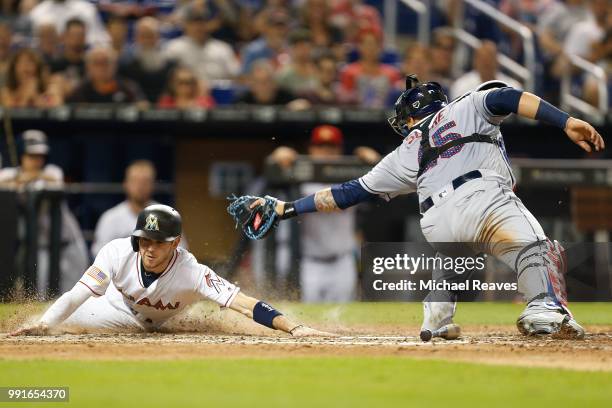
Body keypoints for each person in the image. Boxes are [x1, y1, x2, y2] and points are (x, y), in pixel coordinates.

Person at [229, 75, 604, 340]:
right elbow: (507, 97)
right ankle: (542, 308)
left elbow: (347, 194)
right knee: (537, 248)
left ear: (412, 115)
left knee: (460, 258)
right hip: (484, 195)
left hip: (438, 220)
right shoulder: (468, 104)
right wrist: (566, 121)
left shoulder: (404, 150)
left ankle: (437, 316)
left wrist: (286, 209)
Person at [10, 204, 330, 337]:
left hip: (155, 324)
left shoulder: (192, 272)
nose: (149, 248)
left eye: (158, 242)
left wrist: (293, 327)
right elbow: (76, 294)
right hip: (110, 311)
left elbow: (244, 304)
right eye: (144, 240)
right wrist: (44, 323)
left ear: (175, 242)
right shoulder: (117, 251)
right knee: (56, 324)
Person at [265, 125, 380, 302]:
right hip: (310, 263)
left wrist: (373, 161)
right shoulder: (300, 181)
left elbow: (383, 179)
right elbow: (272, 174)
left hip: (343, 262)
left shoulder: (353, 181)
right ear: (311, 148)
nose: (326, 151)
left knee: (346, 320)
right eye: (320, 146)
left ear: (340, 149)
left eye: (331, 146)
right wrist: (278, 155)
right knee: (310, 319)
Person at [0, 130, 89, 294]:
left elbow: (54, 180)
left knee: (74, 296)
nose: (37, 160)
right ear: (21, 155)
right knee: (41, 297)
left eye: (40, 155)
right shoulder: (9, 174)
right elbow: (3, 180)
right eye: (31, 155)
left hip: (68, 247)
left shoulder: (52, 171)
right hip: (40, 250)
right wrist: (21, 178)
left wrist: (23, 179)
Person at [91, 160, 188, 256]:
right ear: (126, 184)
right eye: (135, 181)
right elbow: (100, 255)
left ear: (153, 185)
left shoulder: (168, 217)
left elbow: (181, 252)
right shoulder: (110, 218)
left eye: (145, 182)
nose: (140, 186)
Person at [163, 6, 240, 84]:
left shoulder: (223, 48)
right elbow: (167, 77)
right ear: (185, 25)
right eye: (193, 24)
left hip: (218, 92)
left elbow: (235, 75)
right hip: (187, 92)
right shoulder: (174, 47)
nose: (198, 28)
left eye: (201, 24)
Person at [119, 16, 176, 103]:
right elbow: (126, 86)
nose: (147, 40)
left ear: (158, 36)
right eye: (143, 35)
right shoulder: (127, 61)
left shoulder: (170, 60)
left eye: (150, 35)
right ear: (136, 37)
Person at [338, 29, 401, 108]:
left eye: (374, 44)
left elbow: (396, 100)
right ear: (359, 46)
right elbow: (344, 99)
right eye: (367, 44)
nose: (370, 48)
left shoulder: (392, 73)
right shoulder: (349, 72)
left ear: (379, 47)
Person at [66, 45, 146, 105]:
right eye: (97, 63)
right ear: (88, 67)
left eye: (106, 62)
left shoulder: (129, 88)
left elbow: (142, 107)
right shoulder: (80, 91)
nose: (102, 68)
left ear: (115, 65)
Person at [450, 41, 521, 99]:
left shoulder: (512, 87)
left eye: (490, 59)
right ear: (475, 62)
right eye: (483, 60)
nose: (486, 64)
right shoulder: (461, 85)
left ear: (497, 62)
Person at [28, 0, 110, 46]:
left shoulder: (86, 9)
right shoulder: (37, 13)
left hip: (83, 58)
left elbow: (100, 39)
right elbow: (34, 44)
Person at [49, 18, 87, 95]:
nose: (77, 40)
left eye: (80, 35)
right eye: (73, 35)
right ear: (64, 37)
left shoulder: (90, 65)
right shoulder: (53, 65)